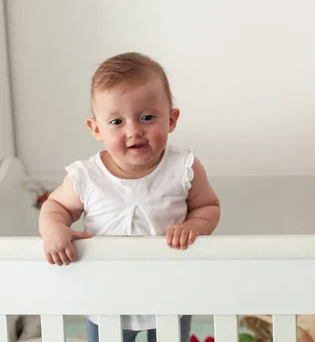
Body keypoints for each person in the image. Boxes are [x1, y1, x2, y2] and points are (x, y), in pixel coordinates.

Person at [39, 52, 221, 342]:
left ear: (172, 119)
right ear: (96, 128)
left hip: (170, 295)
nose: (134, 131)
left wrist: (194, 226)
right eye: (116, 122)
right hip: (105, 298)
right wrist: (54, 229)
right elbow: (55, 206)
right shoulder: (86, 177)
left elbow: (208, 206)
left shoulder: (183, 167)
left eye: (147, 117)